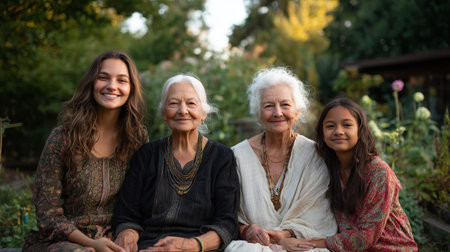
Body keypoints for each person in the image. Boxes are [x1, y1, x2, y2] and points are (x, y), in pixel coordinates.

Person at [22, 50, 148, 252]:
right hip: (65, 242)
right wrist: (91, 244)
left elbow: (142, 199)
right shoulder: (63, 138)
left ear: (131, 88)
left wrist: (130, 231)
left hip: (115, 237)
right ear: (91, 83)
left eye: (121, 80)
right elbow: (48, 213)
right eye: (103, 78)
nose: (112, 86)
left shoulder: (136, 138)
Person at [112, 74, 240, 252]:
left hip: (200, 247)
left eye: (191, 103)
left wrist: (191, 245)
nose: (182, 110)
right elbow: (126, 213)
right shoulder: (147, 155)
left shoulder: (221, 157)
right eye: (173, 103)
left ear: (203, 114)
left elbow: (227, 223)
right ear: (164, 114)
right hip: (150, 245)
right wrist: (128, 234)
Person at [279, 97, 417, 251]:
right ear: (322, 133)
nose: (338, 131)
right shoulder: (327, 169)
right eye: (330, 126)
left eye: (347, 125)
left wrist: (305, 244)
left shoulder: (379, 173)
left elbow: (364, 239)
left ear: (360, 129)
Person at [225, 67, 337, 252]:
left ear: (297, 111)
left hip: (302, 245)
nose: (278, 113)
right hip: (255, 247)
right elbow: (225, 216)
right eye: (269, 106)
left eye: (285, 105)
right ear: (258, 114)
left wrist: (285, 237)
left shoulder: (316, 155)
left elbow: (320, 217)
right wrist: (246, 231)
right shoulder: (236, 156)